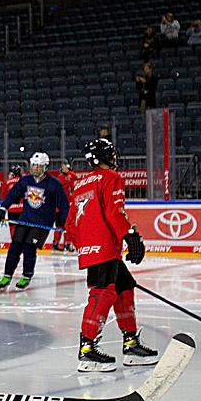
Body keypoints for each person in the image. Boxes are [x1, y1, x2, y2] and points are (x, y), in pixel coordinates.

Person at [63, 138, 159, 372]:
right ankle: (87, 349)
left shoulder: (81, 184)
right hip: (105, 247)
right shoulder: (112, 178)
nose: (114, 159)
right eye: (111, 154)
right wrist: (130, 236)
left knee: (124, 287)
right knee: (103, 292)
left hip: (94, 248)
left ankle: (130, 343)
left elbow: (70, 226)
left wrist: (86, 245)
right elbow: (114, 211)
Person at [0, 152, 68, 290]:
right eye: (34, 166)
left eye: (38, 166)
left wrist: (69, 222)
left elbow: (64, 206)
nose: (35, 169)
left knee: (29, 247)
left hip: (42, 223)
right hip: (25, 219)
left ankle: (26, 276)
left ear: (45, 167)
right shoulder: (25, 181)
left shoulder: (54, 184)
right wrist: (2, 208)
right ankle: (7, 275)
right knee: (15, 246)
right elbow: (12, 195)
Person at [52, 163, 77, 253]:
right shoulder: (64, 177)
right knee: (66, 225)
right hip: (63, 206)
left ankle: (56, 244)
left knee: (60, 226)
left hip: (58, 207)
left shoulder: (62, 177)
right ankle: (67, 244)